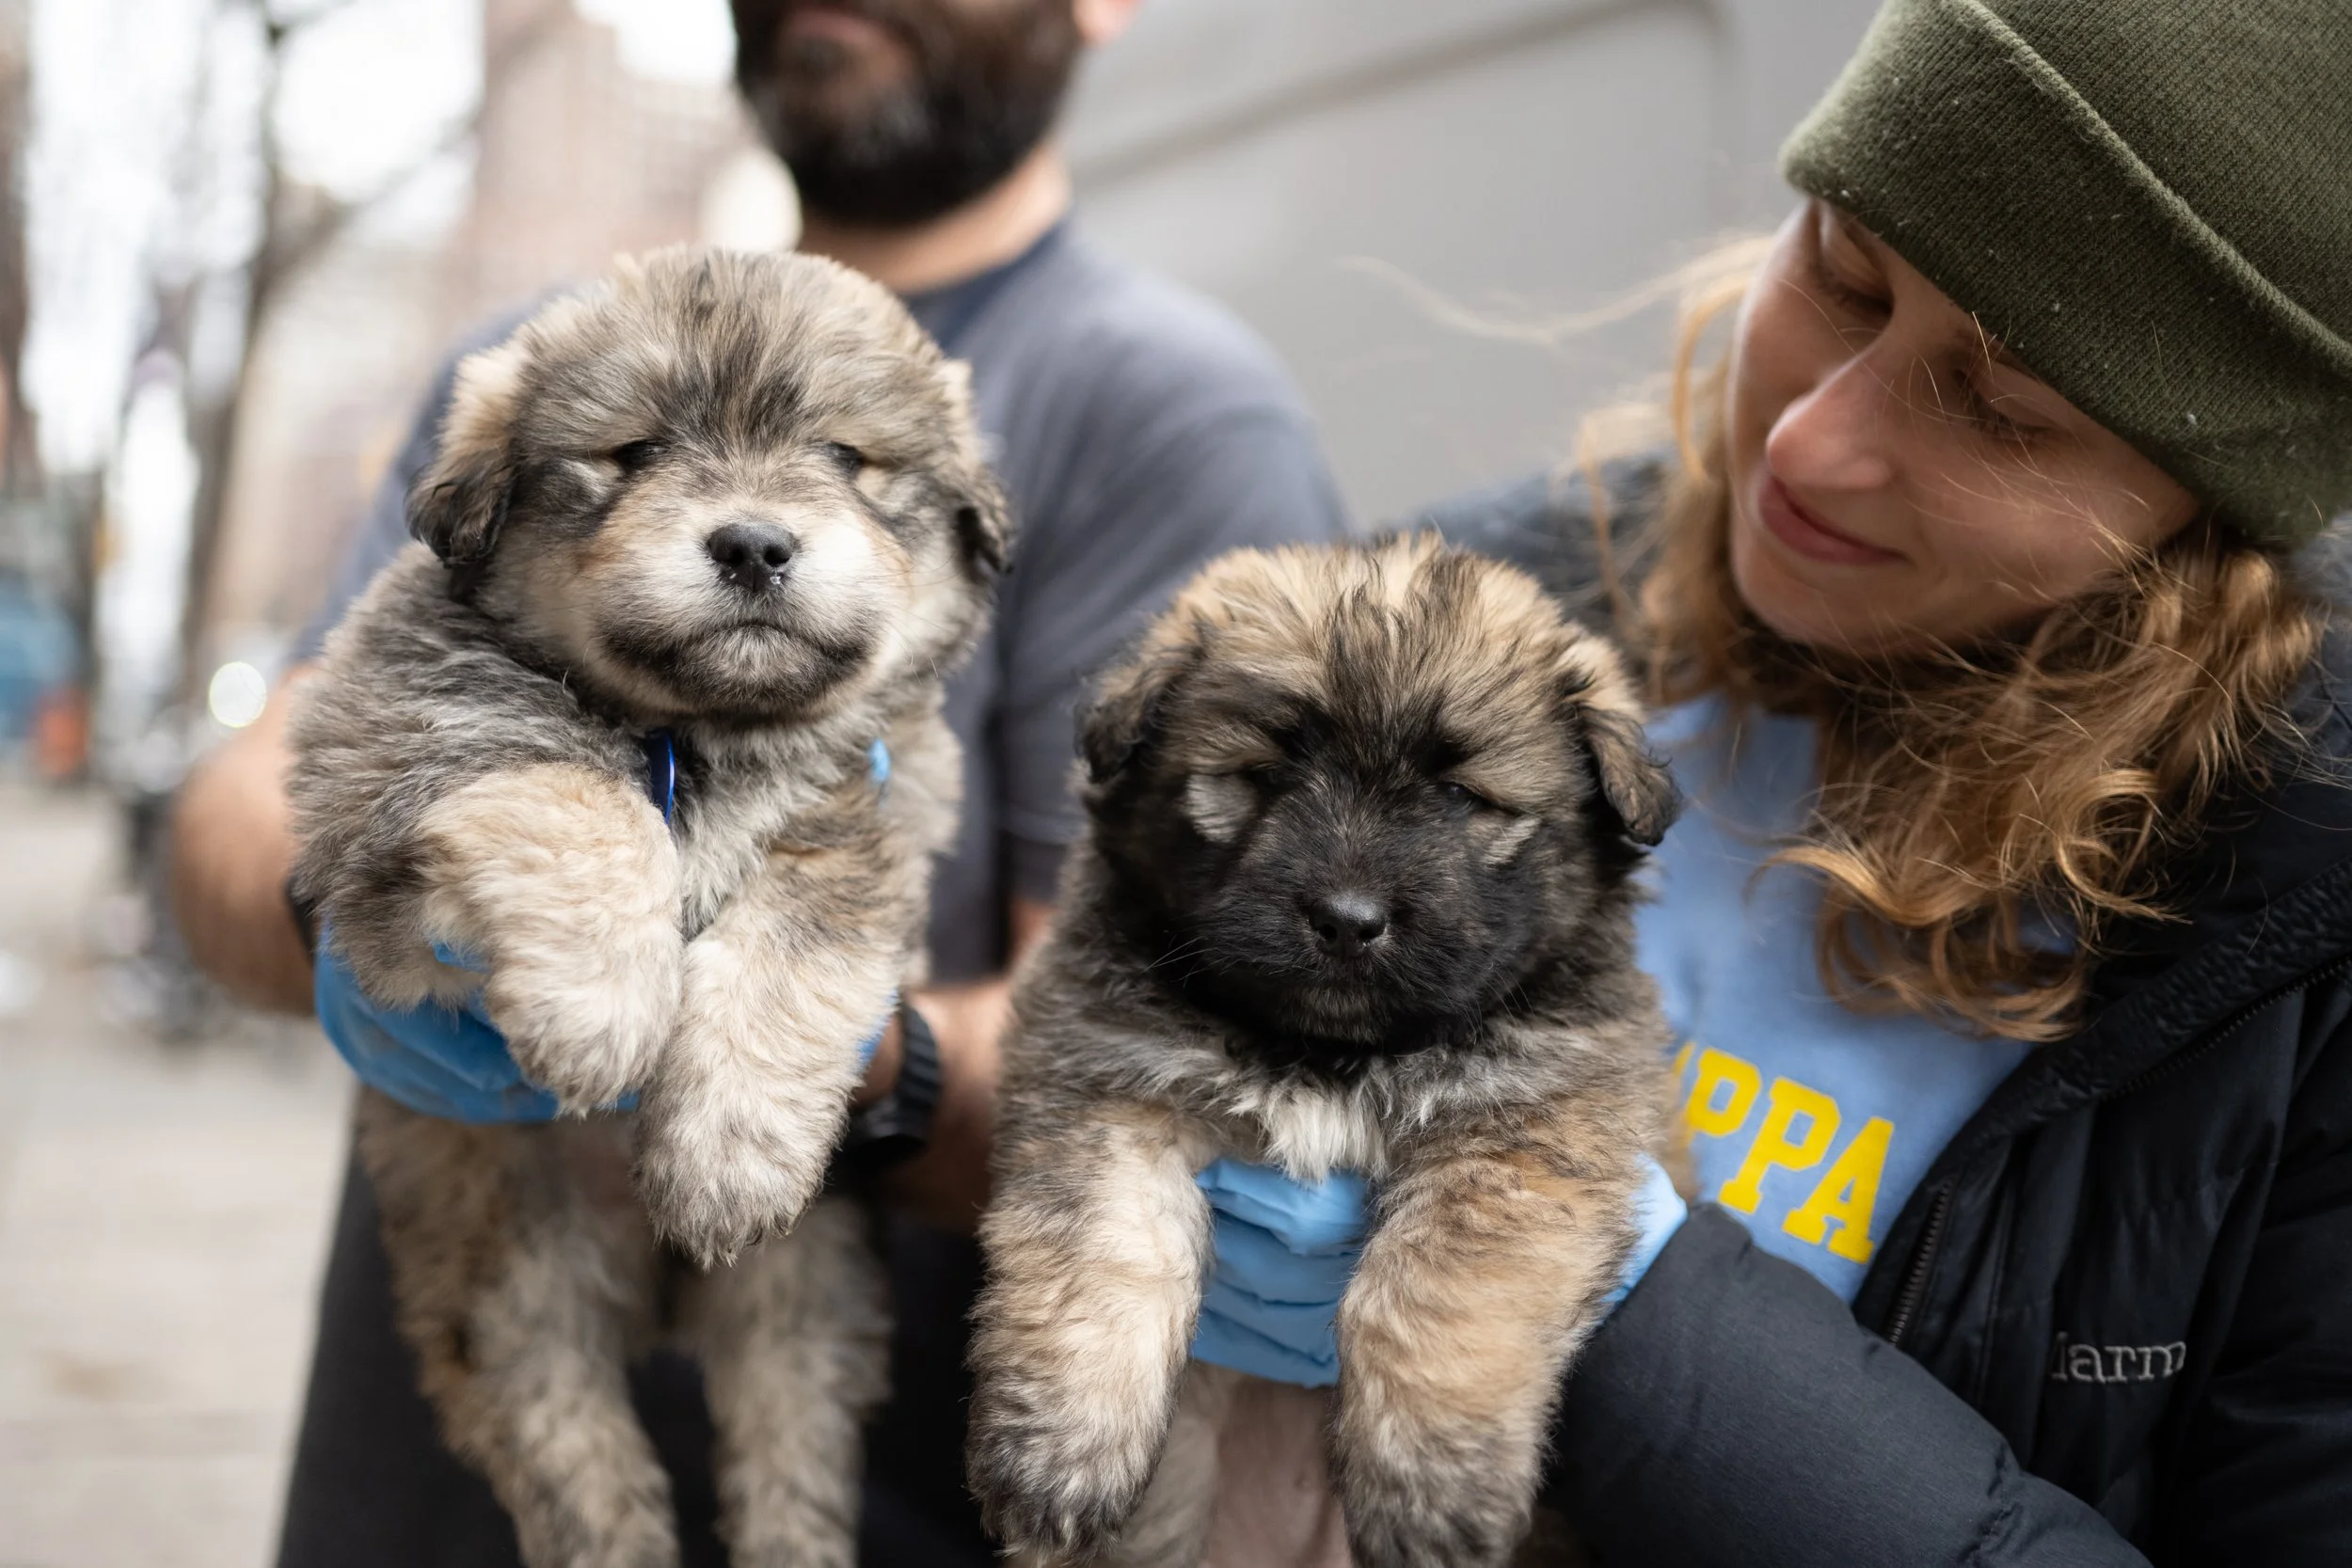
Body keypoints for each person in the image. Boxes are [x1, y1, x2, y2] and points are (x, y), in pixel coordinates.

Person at [168, 2, 1351, 1563]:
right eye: (636, 464)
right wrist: (373, 902)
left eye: (849, 471)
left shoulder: (1174, 418)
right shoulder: (541, 361)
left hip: (882, 1494)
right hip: (433, 1490)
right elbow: (231, 821)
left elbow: (1187, 1057)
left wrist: (838, 1043)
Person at [1200, 0, 2352, 1561]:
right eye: (1842, 273)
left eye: (2003, 413)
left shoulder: (2300, 940)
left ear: (2197, 521)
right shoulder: (1481, 614)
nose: (1810, 445)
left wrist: (1617, 1304)